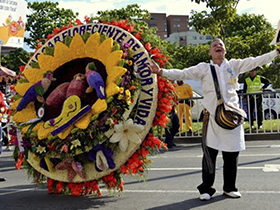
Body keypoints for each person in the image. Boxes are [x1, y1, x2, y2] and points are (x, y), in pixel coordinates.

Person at [147, 38, 280, 201]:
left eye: (221, 45)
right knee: (210, 154)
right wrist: (161, 72)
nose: (218, 47)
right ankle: (206, 189)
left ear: (225, 51)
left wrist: (276, 52)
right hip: (212, 118)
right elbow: (182, 73)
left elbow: (256, 61)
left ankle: (230, 187)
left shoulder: (234, 65)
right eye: (215, 45)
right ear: (210, 52)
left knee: (232, 155)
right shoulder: (203, 68)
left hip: (232, 117)